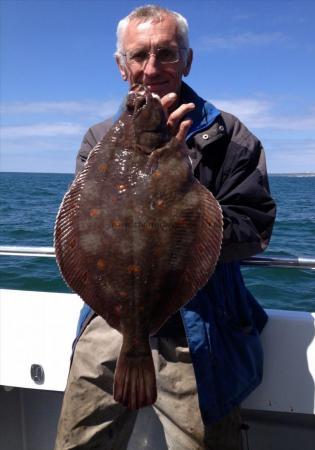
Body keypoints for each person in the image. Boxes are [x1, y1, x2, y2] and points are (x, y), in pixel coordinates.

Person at [55, 5, 276, 450]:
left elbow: (254, 227)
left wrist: (183, 181)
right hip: (108, 319)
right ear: (122, 67)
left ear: (187, 61)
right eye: (139, 56)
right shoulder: (99, 141)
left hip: (202, 325)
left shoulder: (230, 137)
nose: (151, 69)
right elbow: (82, 225)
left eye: (167, 54)